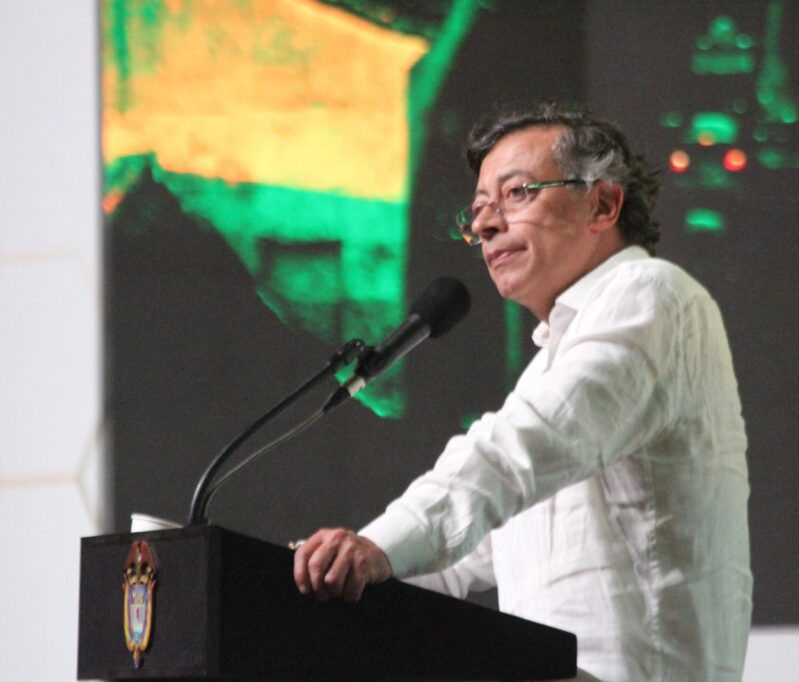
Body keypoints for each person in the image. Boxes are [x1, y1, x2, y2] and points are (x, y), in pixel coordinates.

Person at [294, 103, 752, 681]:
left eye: (516, 194)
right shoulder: (549, 367)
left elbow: (517, 452)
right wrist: (320, 575)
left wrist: (377, 546)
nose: (486, 225)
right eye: (479, 210)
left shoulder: (653, 295)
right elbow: (465, 552)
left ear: (603, 205)